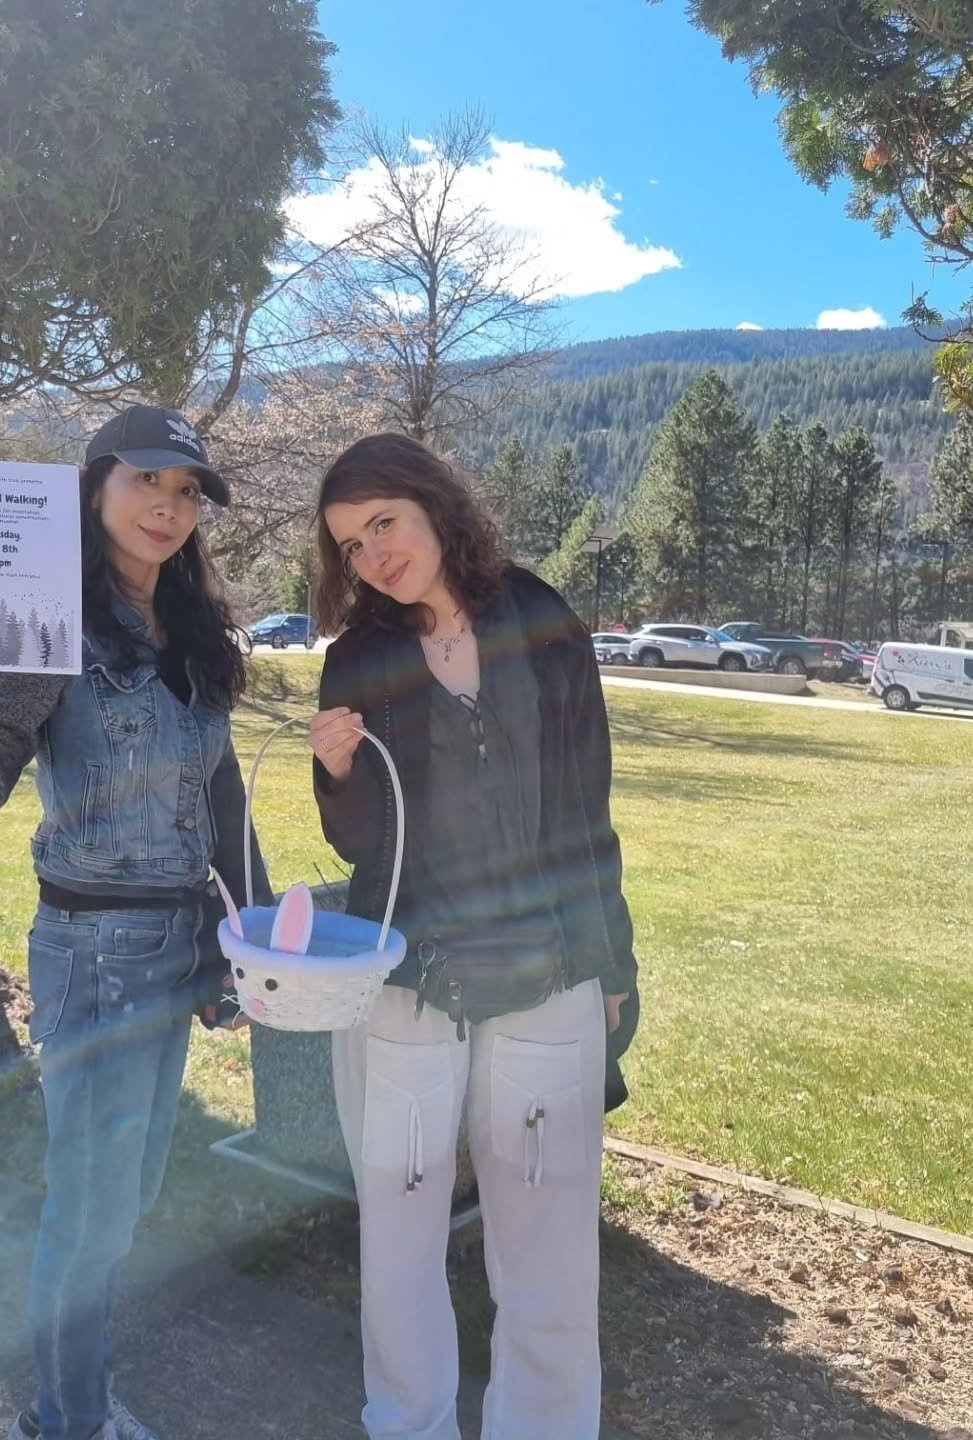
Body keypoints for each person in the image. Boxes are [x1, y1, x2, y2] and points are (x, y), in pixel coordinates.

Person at [0, 405, 270, 1440]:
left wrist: (252, 936)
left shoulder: (195, 636)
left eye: (187, 491)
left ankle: (70, 1402)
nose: (168, 506)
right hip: (94, 957)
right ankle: (70, 1421)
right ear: (94, 488)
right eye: (146, 480)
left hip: (178, 948)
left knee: (126, 1203)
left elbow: (222, 795)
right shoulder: (50, 626)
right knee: (90, 1217)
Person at [305, 433, 640, 1440]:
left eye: (384, 524)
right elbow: (362, 843)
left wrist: (611, 962)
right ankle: (407, 1424)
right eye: (351, 545)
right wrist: (336, 773)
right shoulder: (358, 659)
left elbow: (586, 807)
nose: (373, 556)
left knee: (547, 1250)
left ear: (434, 506)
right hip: (408, 986)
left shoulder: (542, 621)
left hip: (548, 975)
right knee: (399, 1240)